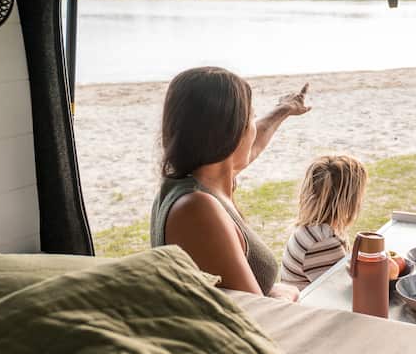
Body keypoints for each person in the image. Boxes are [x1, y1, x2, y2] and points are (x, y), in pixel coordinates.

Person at [150, 67, 310, 301]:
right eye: (251, 118)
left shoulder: (200, 177)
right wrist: (284, 294)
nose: (254, 126)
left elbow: (255, 141)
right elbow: (256, 313)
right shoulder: (196, 209)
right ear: (232, 132)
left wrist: (284, 109)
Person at [279, 155, 368, 290]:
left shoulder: (314, 229)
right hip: (308, 303)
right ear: (351, 200)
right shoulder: (322, 242)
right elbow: (340, 291)